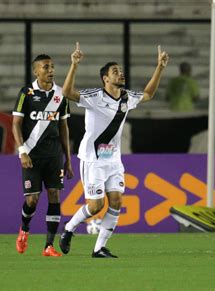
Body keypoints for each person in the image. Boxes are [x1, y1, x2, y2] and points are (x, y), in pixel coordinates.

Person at [59, 42, 169, 258]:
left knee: (117, 201)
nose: (121, 73)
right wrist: (74, 65)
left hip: (113, 160)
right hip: (93, 160)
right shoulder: (94, 97)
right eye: (115, 71)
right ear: (105, 79)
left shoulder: (127, 97)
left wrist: (160, 68)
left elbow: (148, 94)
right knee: (96, 205)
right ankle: (69, 229)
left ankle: (99, 248)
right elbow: (67, 92)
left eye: (121, 70)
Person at [12, 54, 74, 257]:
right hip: (31, 155)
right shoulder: (27, 93)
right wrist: (22, 152)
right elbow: (15, 124)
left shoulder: (61, 94)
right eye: (46, 67)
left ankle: (49, 246)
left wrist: (68, 160)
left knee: (55, 195)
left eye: (53, 67)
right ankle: (24, 229)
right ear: (35, 71)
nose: (51, 70)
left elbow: (64, 127)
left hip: (54, 155)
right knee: (32, 200)